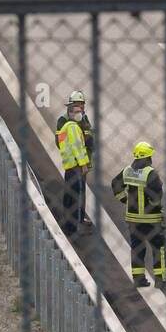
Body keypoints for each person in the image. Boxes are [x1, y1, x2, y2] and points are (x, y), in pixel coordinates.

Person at [111, 141, 166, 288]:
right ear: (148, 157)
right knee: (159, 248)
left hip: (133, 219)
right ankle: (160, 280)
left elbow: (115, 185)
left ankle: (138, 279)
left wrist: (125, 199)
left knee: (137, 248)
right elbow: (157, 194)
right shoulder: (150, 173)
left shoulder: (127, 170)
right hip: (151, 219)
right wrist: (155, 205)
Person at [56, 99, 92, 235]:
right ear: (70, 114)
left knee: (69, 199)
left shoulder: (65, 127)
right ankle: (76, 228)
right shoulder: (73, 127)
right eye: (77, 112)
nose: (80, 114)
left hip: (69, 167)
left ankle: (68, 226)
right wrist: (83, 164)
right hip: (76, 167)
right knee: (77, 199)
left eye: (81, 111)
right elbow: (78, 147)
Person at [56, 90, 94, 161]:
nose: (82, 106)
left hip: (88, 159)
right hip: (74, 161)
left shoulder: (84, 118)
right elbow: (61, 143)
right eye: (78, 104)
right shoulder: (63, 120)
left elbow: (90, 136)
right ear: (71, 106)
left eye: (83, 103)